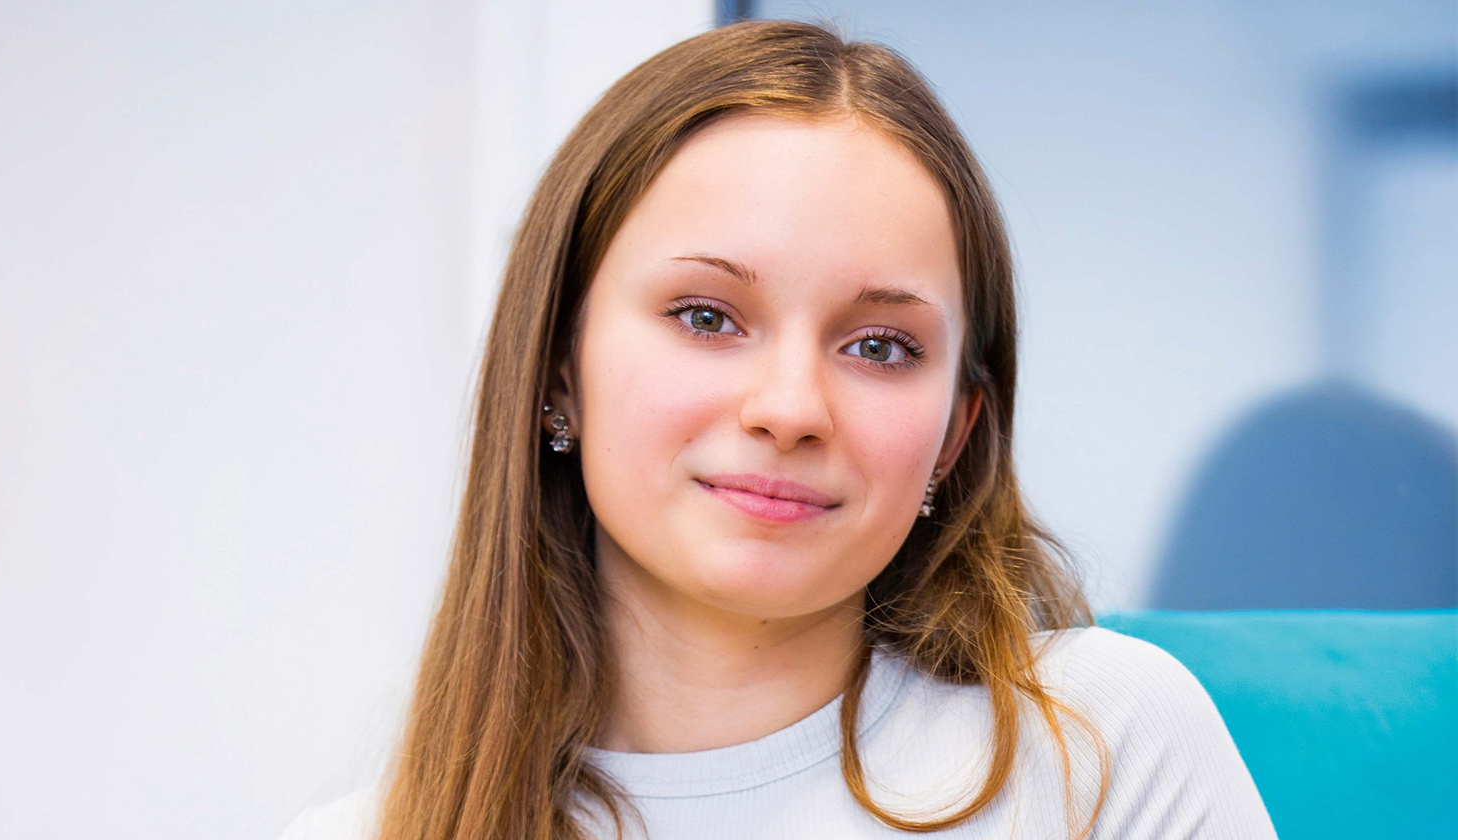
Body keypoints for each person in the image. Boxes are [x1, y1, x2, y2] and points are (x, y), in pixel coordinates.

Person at [277, 19, 1278, 840]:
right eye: (705, 318)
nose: (791, 409)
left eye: (880, 346)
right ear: (557, 368)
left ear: (955, 432)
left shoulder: (1100, 749)